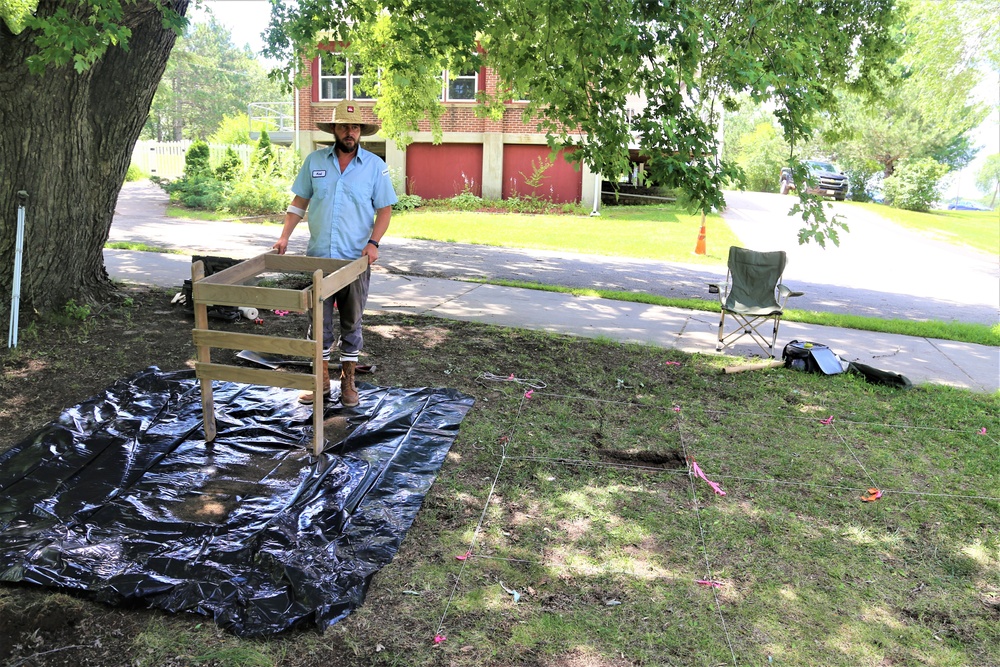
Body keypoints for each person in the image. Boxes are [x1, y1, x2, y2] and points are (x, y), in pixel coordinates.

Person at [272, 100, 398, 407]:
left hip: (355, 261)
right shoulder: (315, 161)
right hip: (319, 260)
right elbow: (298, 203)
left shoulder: (374, 167)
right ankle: (321, 383)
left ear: (360, 132)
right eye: (343, 126)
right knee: (319, 323)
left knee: (351, 322)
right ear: (334, 130)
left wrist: (374, 243)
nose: (349, 132)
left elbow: (384, 210)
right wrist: (284, 236)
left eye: (354, 127)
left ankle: (348, 382)